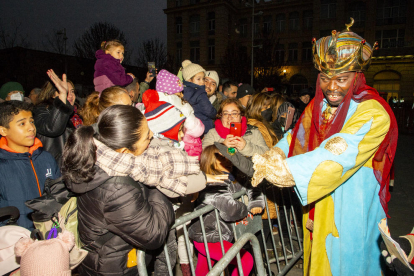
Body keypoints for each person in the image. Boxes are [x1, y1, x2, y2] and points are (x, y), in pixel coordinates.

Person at [248, 23, 398, 275]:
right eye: (326, 78)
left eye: (341, 79)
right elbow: (296, 136)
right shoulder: (320, 106)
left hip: (351, 205)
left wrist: (287, 170)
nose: (332, 87)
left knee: (346, 263)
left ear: (357, 77)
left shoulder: (373, 111)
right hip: (318, 199)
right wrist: (273, 155)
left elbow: (339, 150)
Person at [61, 105, 175, 275]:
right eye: (146, 137)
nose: (152, 135)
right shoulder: (117, 187)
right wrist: (159, 184)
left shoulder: (95, 156)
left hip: (104, 256)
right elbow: (154, 234)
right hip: (113, 266)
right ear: (124, 150)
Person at [188, 145, 264, 276]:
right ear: (210, 161)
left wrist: (255, 203)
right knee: (245, 259)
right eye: (223, 159)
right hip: (208, 236)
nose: (228, 161)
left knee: (204, 269)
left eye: (229, 158)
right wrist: (246, 210)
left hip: (213, 235)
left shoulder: (230, 177)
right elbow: (231, 210)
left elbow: (252, 184)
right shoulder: (212, 184)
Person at [0, 101, 60, 230]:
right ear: (3, 130)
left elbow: (59, 194)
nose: (31, 128)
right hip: (15, 240)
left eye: (31, 121)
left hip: (51, 234)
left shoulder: (45, 158)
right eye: (22, 123)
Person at [33, 69, 82, 165]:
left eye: (72, 91)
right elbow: (52, 129)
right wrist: (62, 97)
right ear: (52, 94)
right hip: (54, 167)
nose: (70, 95)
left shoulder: (78, 115)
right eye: (65, 91)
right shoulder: (43, 110)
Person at [202, 98, 269, 157]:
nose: (229, 117)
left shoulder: (253, 132)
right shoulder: (212, 133)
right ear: (221, 116)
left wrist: (246, 147)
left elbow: (267, 154)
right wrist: (222, 146)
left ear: (241, 116)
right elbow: (204, 154)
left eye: (234, 113)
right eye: (225, 114)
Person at [181, 60, 217, 134]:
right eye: (198, 79)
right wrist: (215, 113)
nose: (202, 82)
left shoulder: (182, 92)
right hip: (203, 127)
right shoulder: (200, 93)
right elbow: (209, 111)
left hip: (189, 128)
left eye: (203, 79)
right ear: (189, 80)